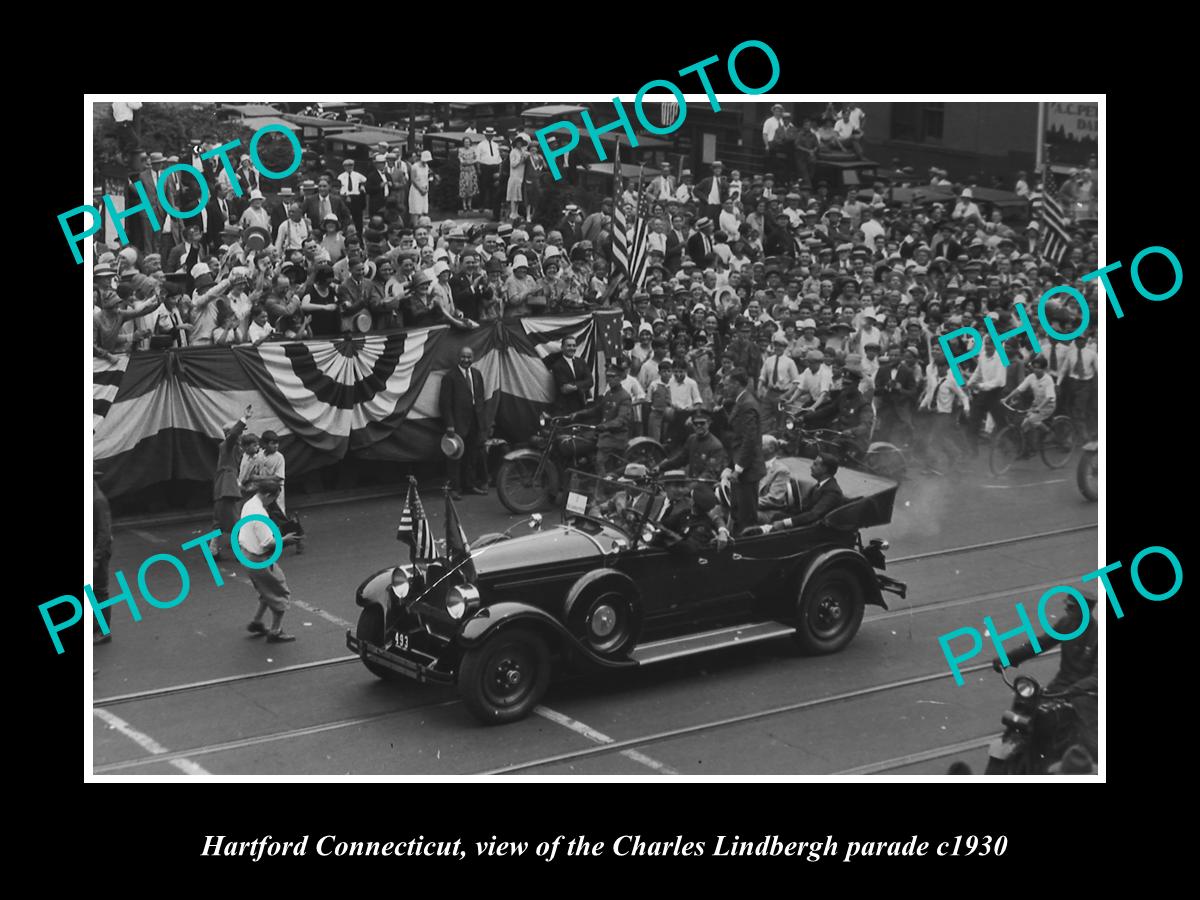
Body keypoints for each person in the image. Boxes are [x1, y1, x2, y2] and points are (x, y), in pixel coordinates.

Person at [992, 593, 1098, 761]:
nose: (1066, 608)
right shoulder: (1066, 624)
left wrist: (1077, 689)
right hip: (1060, 686)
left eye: (1071, 606)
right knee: (1027, 716)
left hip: (1084, 695)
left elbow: (1097, 676)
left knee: (1093, 743)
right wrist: (1008, 658)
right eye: (1066, 604)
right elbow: (1040, 643)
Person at [239, 478, 302, 643]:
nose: (273, 502)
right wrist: (286, 539)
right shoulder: (260, 513)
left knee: (265, 591)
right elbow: (267, 542)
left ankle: (257, 621)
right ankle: (275, 631)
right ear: (268, 495)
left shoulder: (249, 504)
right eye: (273, 498)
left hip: (246, 554)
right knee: (280, 593)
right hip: (260, 558)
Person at [439, 346, 488, 500]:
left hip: (475, 421)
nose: (466, 360)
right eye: (463, 357)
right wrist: (449, 424)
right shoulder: (450, 377)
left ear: (473, 358)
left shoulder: (477, 374)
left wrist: (482, 422)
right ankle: (455, 488)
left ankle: (469, 485)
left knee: (472, 455)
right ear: (458, 358)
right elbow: (445, 404)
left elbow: (480, 398)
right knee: (455, 457)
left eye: (469, 357)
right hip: (457, 423)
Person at [721, 368, 765, 534]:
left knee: (746, 517)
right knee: (737, 512)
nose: (724, 388)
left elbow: (749, 440)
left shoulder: (747, 404)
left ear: (736, 384)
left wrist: (738, 469)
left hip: (748, 470)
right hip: (740, 467)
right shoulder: (741, 401)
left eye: (727, 385)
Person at [570, 365, 632, 474]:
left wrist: (605, 426)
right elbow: (596, 410)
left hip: (615, 436)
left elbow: (621, 420)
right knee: (581, 440)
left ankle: (602, 487)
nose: (610, 379)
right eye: (608, 377)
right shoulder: (608, 394)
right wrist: (578, 414)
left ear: (620, 378)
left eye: (613, 377)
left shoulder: (624, 397)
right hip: (603, 433)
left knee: (599, 461)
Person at [208, 407, 251, 560]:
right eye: (240, 433)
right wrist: (244, 418)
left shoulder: (233, 450)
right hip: (227, 488)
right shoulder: (227, 446)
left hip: (225, 487)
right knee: (236, 520)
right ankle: (243, 551)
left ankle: (213, 550)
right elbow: (233, 435)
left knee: (219, 520)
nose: (241, 435)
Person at [1004, 356, 1056, 458]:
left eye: (1039, 368)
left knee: (1032, 420)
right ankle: (1027, 450)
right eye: (1034, 367)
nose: (1036, 370)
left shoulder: (1048, 379)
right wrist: (1006, 398)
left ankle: (1048, 432)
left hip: (1048, 405)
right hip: (1036, 404)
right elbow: (1019, 389)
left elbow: (1049, 397)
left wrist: (1039, 408)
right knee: (1023, 426)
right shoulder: (1031, 377)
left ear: (1044, 369)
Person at [654, 408, 726, 480]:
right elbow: (680, 460)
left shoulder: (716, 446)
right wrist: (660, 467)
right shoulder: (692, 439)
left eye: (702, 423)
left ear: (709, 423)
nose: (698, 426)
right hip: (692, 483)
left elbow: (711, 473)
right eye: (695, 423)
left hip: (707, 486)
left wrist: (693, 484)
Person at [93, 479, 114, 644]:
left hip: (98, 553)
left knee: (99, 591)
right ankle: (96, 626)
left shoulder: (97, 500)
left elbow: (104, 533)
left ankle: (103, 631)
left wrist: (95, 558)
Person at [550, 335, 594, 415]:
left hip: (582, 405)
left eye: (574, 346)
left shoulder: (581, 362)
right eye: (569, 346)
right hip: (565, 408)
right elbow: (565, 389)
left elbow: (590, 381)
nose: (572, 348)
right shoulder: (557, 366)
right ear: (562, 347)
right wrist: (582, 384)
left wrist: (576, 386)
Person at [757, 435, 791, 517]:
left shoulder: (781, 470)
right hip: (752, 507)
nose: (755, 448)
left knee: (741, 515)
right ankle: (723, 529)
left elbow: (774, 499)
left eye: (759, 445)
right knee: (720, 509)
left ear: (771, 449)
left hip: (768, 512)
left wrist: (746, 504)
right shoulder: (755, 465)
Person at [507, 134, 530, 220]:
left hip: (521, 176)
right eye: (518, 143)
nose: (519, 145)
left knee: (517, 196)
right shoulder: (513, 152)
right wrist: (520, 160)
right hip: (514, 176)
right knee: (513, 196)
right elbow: (513, 164)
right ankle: (512, 213)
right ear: (515, 144)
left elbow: (529, 154)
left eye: (521, 143)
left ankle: (516, 212)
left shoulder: (522, 151)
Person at [458, 136, 479, 213]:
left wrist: (471, 162)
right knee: (464, 187)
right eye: (465, 142)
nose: (467, 143)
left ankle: (469, 204)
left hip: (471, 171)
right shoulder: (461, 150)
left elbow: (476, 158)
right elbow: (461, 160)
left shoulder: (473, 150)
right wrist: (467, 162)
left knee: (471, 187)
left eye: (468, 142)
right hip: (464, 171)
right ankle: (464, 205)